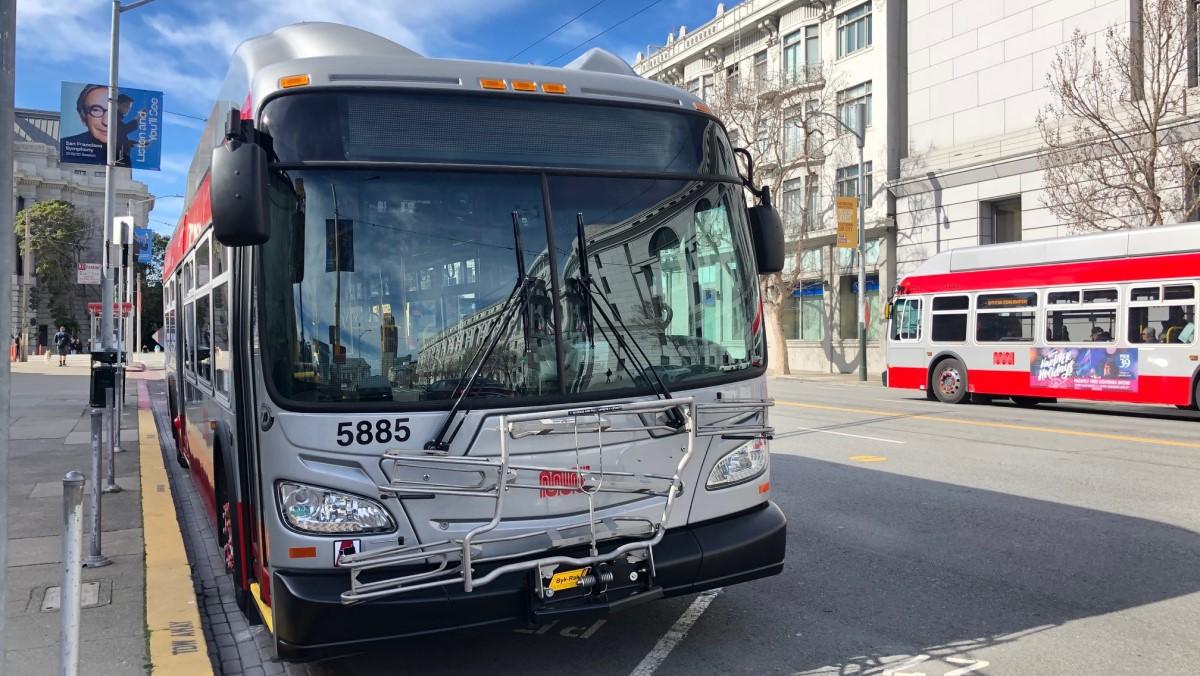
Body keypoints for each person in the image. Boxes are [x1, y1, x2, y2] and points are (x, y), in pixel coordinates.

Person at [59, 84, 131, 167]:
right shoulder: (66, 147)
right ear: (82, 116)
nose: (106, 122)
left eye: (114, 111)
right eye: (96, 110)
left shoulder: (124, 158)